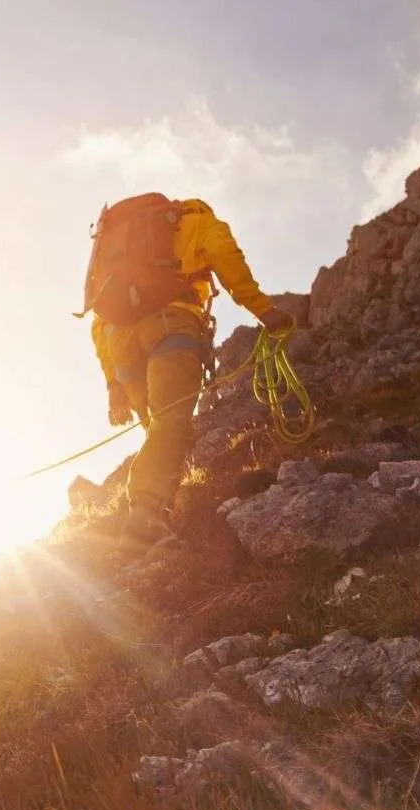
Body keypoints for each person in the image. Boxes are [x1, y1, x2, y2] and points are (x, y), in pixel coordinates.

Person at [82, 194, 295, 551]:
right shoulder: (195, 219)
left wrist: (113, 386)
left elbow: (100, 321)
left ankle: (156, 511)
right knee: (171, 424)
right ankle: (145, 516)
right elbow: (228, 259)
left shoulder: (121, 251)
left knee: (158, 428)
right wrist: (266, 312)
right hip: (171, 328)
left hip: (121, 343)